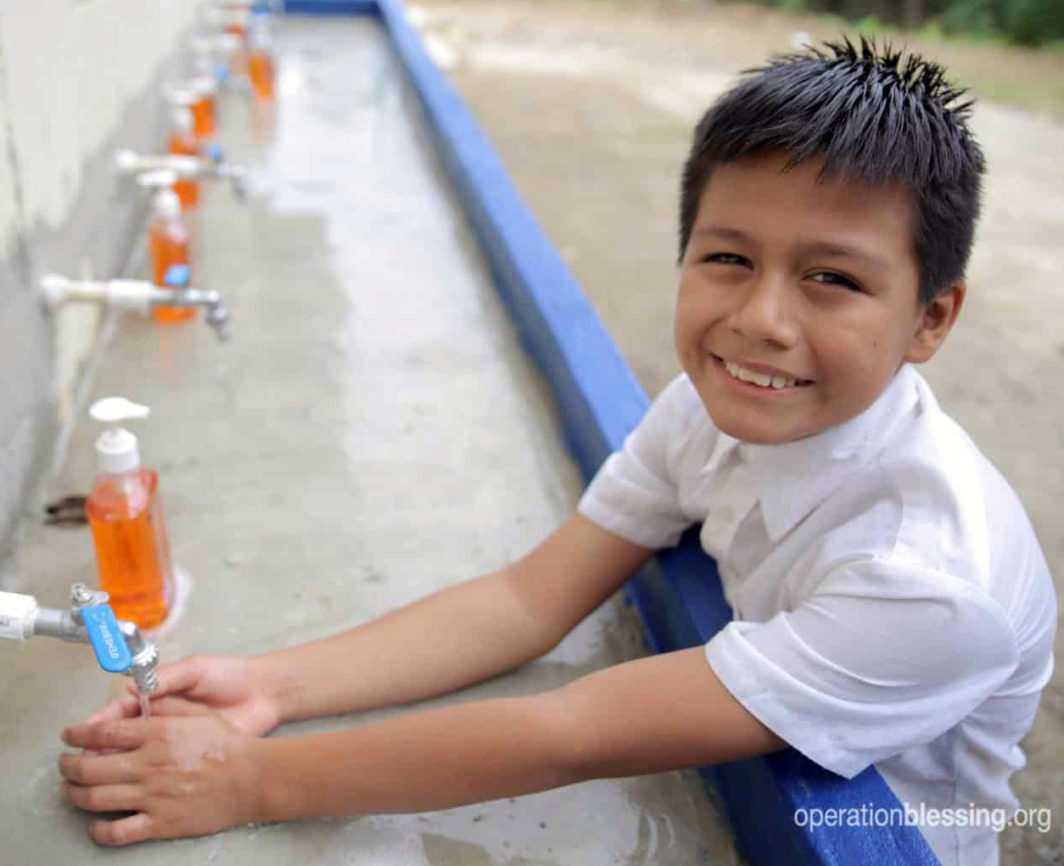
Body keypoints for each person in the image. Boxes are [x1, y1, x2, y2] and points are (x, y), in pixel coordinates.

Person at [58, 38, 1056, 865]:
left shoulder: (925, 577)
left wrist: (250, 779)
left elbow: (573, 731)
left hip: (883, 828)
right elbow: (525, 600)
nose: (759, 320)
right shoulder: (706, 407)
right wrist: (274, 684)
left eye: (830, 278)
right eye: (726, 257)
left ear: (929, 318)